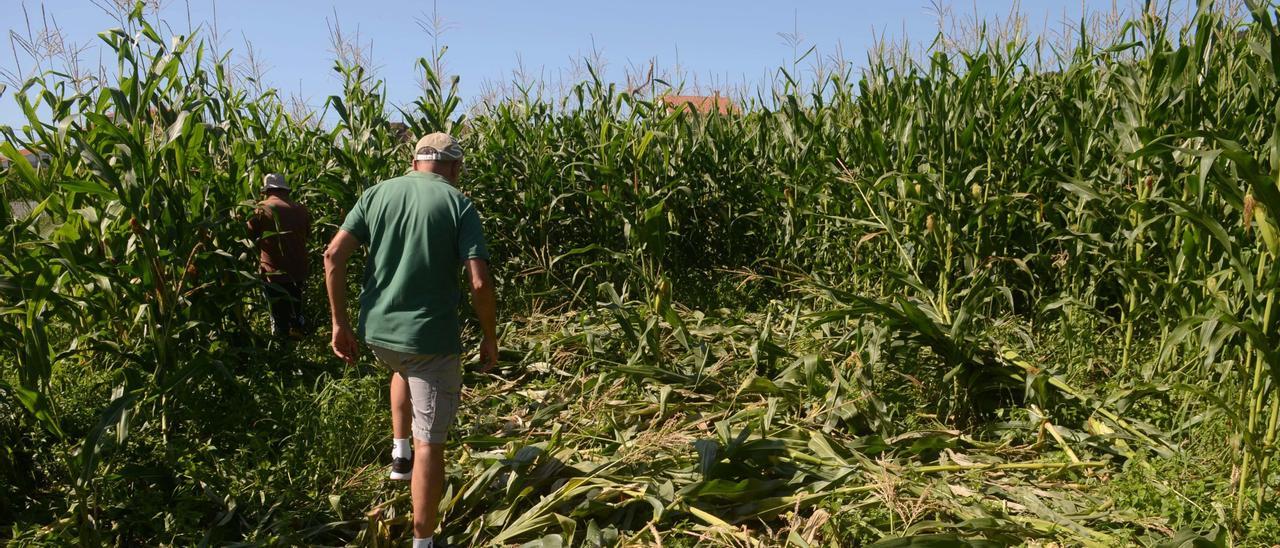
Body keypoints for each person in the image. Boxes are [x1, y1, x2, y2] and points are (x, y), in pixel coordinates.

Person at [324, 133, 498, 548]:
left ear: (416, 161)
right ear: (454, 167)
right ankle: (424, 540)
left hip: (379, 336)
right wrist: (490, 335)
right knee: (431, 445)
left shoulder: (377, 193)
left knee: (401, 368)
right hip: (430, 340)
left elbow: (332, 256)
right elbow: (478, 281)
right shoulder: (458, 203)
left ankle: (398, 455)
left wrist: (339, 323)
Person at [247, 173, 311, 340]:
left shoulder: (261, 209)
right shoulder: (301, 209)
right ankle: (298, 330)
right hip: (298, 269)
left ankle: (280, 343)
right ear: (286, 190)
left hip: (273, 272)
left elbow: (248, 236)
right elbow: (307, 234)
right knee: (296, 303)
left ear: (267, 190)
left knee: (277, 310)